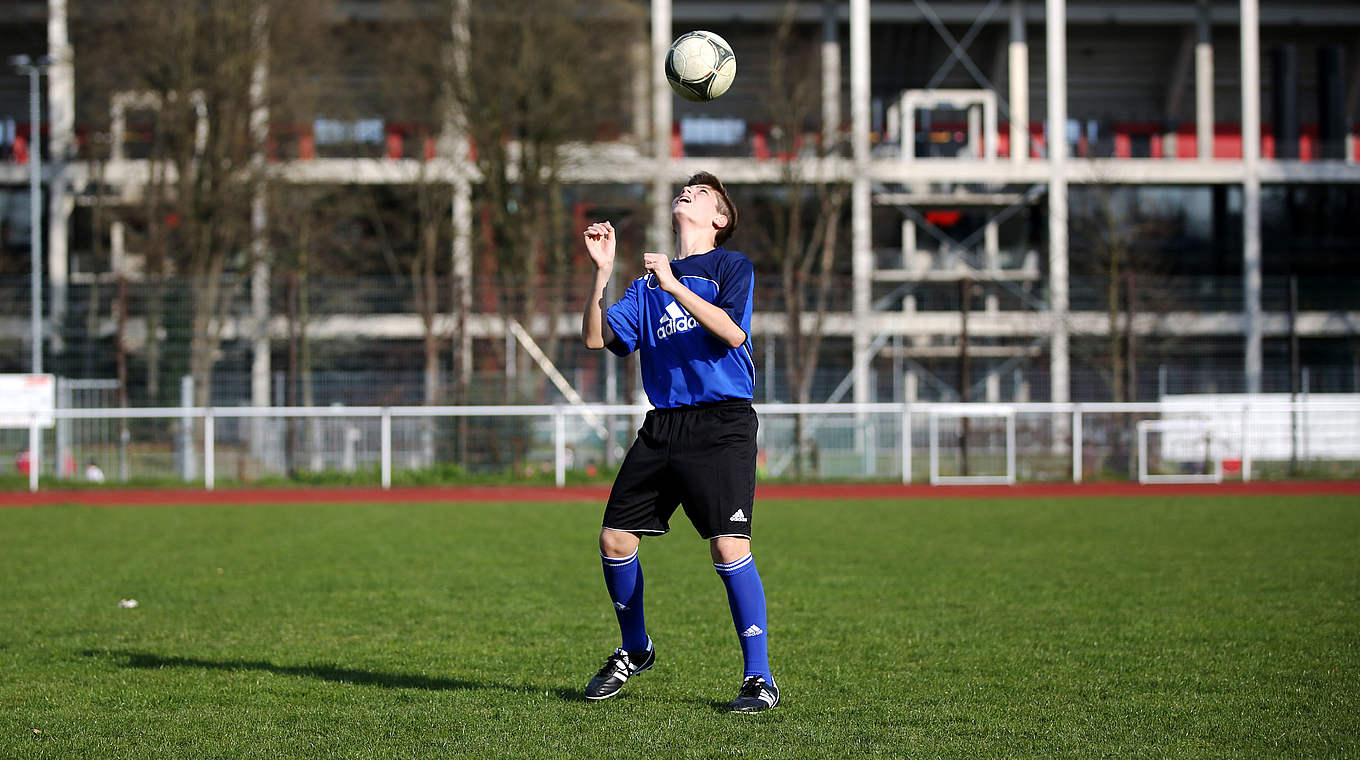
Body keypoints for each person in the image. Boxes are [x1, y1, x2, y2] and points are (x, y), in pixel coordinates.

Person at [579, 171, 778, 713]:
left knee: (728, 546)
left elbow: (733, 333)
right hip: (664, 425)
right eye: (686, 189)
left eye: (703, 193)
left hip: (722, 424)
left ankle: (759, 680)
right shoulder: (645, 285)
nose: (688, 193)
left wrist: (673, 284)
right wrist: (603, 273)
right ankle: (634, 648)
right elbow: (597, 337)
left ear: (720, 219)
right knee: (615, 539)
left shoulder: (727, 267)